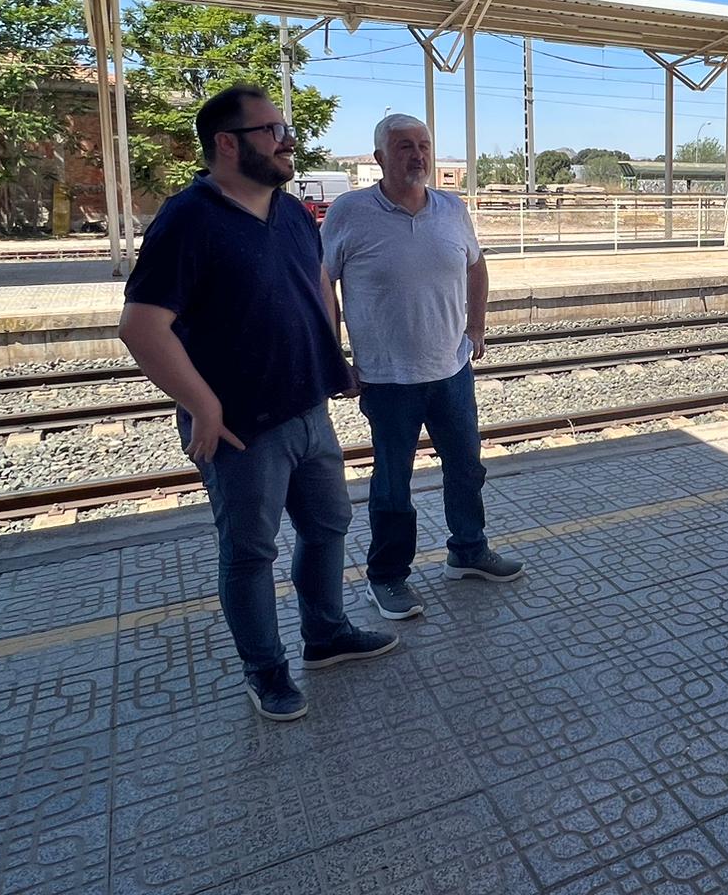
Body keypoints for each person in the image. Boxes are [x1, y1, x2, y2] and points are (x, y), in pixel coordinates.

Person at [119, 84, 398, 723]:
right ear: (226, 143)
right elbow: (141, 325)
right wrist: (204, 408)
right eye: (271, 130)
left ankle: (325, 636)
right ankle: (265, 671)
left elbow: (315, 293)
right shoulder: (188, 218)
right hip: (243, 428)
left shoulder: (295, 214)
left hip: (308, 410)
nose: (287, 140)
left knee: (328, 527)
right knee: (250, 552)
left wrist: (335, 359)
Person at [321, 113, 523, 622]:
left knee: (466, 468)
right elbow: (321, 283)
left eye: (424, 145)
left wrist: (476, 329)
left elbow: (476, 265)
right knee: (393, 485)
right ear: (379, 158)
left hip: (451, 368)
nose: (418, 155)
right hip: (388, 378)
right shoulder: (349, 212)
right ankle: (387, 578)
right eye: (405, 146)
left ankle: (469, 550)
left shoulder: (452, 209)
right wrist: (333, 352)